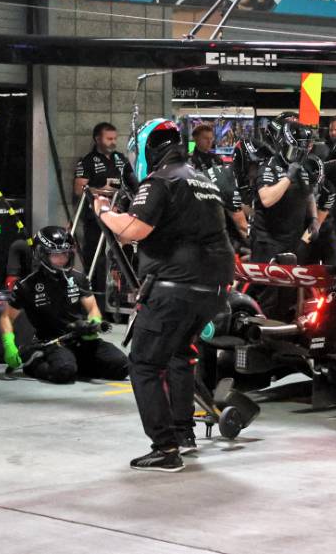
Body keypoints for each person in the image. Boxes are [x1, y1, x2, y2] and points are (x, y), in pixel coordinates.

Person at [92, 121, 236, 472]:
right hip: (214, 288)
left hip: (176, 286)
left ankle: (165, 447)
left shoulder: (161, 180)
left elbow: (131, 231)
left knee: (143, 362)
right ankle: (184, 434)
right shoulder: (201, 178)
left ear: (147, 149)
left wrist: (104, 212)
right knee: (178, 354)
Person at [0, 226, 129, 383]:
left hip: (81, 338)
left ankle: (73, 364)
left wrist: (94, 322)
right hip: (52, 342)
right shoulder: (27, 285)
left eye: (66, 253)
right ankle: (33, 362)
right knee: (63, 372)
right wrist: (8, 344)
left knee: (121, 366)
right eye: (56, 254)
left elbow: (93, 308)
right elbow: (6, 317)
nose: (62, 259)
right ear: (42, 254)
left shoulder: (78, 278)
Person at [250, 119, 319, 318]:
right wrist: (288, 177)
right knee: (268, 295)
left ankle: (280, 338)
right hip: (268, 241)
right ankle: (261, 338)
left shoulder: (305, 167)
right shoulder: (269, 167)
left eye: (301, 150)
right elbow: (267, 199)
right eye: (294, 150)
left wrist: (313, 218)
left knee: (288, 294)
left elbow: (309, 194)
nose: (297, 155)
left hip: (292, 240)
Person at [73, 122, 137, 278]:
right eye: (109, 139)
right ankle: (93, 291)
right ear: (97, 139)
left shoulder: (121, 159)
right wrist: (103, 190)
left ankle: (124, 284)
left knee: (127, 250)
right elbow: (78, 189)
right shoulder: (87, 161)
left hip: (121, 212)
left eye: (115, 138)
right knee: (94, 254)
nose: (113, 142)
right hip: (96, 215)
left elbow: (133, 183)